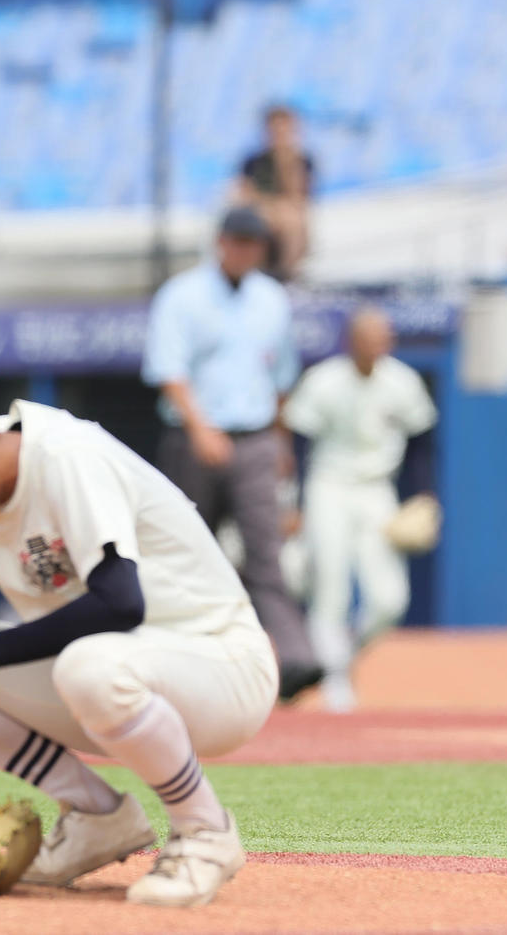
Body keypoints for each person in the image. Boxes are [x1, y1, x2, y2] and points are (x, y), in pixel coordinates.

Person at [0, 386, 278, 909]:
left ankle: (206, 830)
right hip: (115, 668)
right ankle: (96, 816)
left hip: (221, 667)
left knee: (88, 667)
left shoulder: (64, 457)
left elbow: (121, 604)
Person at [142, 206, 323, 702]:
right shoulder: (183, 295)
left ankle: (293, 661)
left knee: (266, 552)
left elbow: (280, 377)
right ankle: (170, 662)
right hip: (195, 436)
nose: (245, 250)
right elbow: (168, 370)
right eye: (238, 240)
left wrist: (281, 440)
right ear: (220, 242)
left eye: (254, 242)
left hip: (256, 436)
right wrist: (202, 429)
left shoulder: (271, 298)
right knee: (185, 552)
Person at [281, 307, 438, 712]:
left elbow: (421, 439)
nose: (377, 345)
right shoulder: (324, 381)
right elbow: (298, 442)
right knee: (329, 588)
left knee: (390, 598)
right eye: (369, 337)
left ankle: (341, 659)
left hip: (376, 490)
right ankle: (335, 683)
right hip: (328, 486)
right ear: (352, 341)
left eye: (383, 337)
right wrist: (293, 501)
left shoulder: (401, 382)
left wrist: (423, 495)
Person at [236, 104, 315, 281]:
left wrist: (286, 163)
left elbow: (298, 197)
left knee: (292, 220)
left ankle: (288, 274)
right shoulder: (254, 161)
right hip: (262, 210)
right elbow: (246, 193)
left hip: (287, 213)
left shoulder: (301, 161)